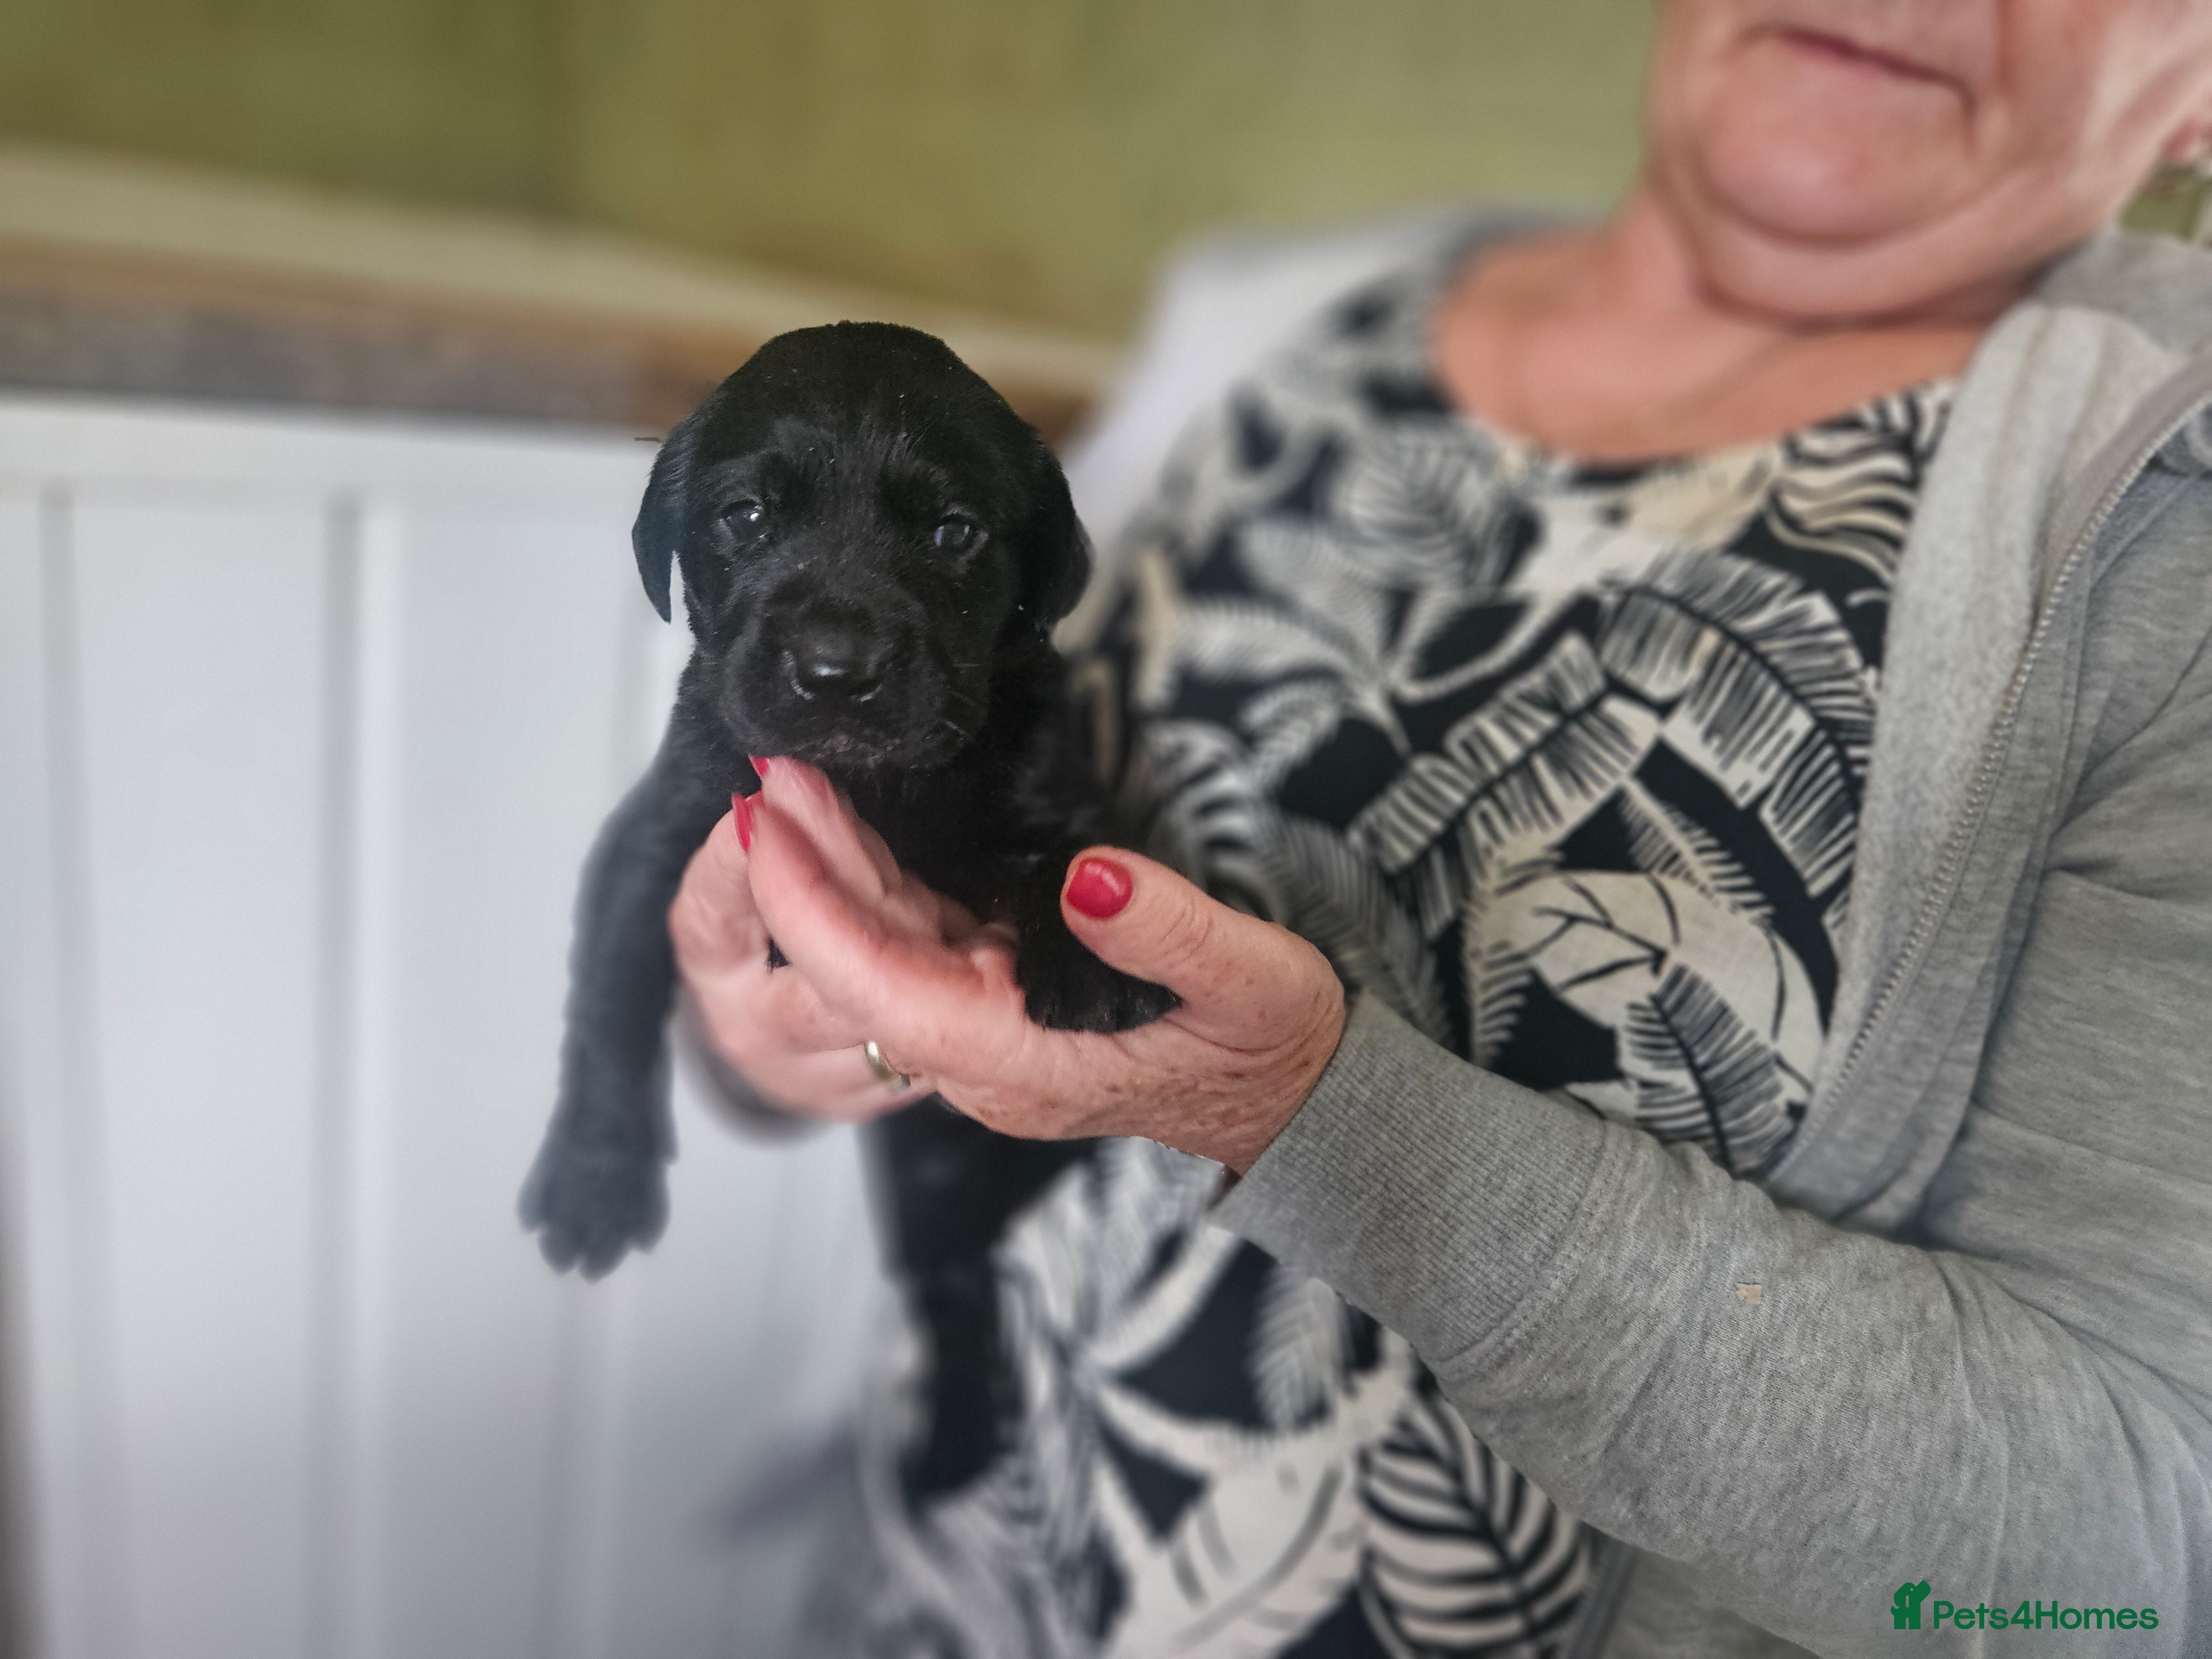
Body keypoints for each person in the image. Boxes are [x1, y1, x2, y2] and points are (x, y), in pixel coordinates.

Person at [667, 2, 2212, 1652]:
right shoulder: (1281, 315)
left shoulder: (2162, 521)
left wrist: (1324, 1121)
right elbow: (938, 827)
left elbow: (2111, 1574)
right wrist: (780, 1023)